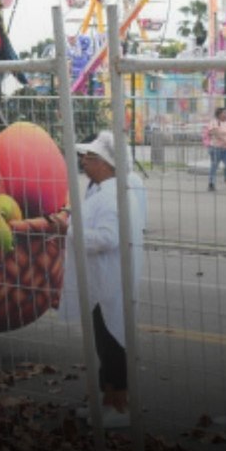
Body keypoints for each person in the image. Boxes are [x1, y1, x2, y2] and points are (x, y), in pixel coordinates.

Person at [60, 131, 147, 429]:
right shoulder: (102, 190)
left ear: (107, 163)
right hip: (101, 281)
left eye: (91, 157)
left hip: (110, 281)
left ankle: (120, 406)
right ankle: (106, 400)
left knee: (113, 343)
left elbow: (107, 238)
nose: (84, 161)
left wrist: (73, 232)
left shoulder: (112, 195)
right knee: (103, 342)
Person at [203, 107, 226, 192]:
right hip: (216, 148)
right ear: (219, 114)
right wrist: (225, 141)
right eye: (224, 113)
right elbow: (214, 132)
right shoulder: (214, 122)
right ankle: (211, 184)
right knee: (214, 166)